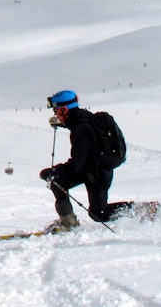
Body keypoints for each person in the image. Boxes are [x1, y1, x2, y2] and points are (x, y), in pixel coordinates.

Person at [38, 90, 136, 231]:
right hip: (94, 169)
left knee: (99, 213)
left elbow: (76, 166)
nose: (56, 114)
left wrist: (52, 171)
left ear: (64, 110)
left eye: (57, 111)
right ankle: (68, 223)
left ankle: (140, 209)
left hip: (96, 174)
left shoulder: (81, 130)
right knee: (57, 182)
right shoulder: (84, 118)